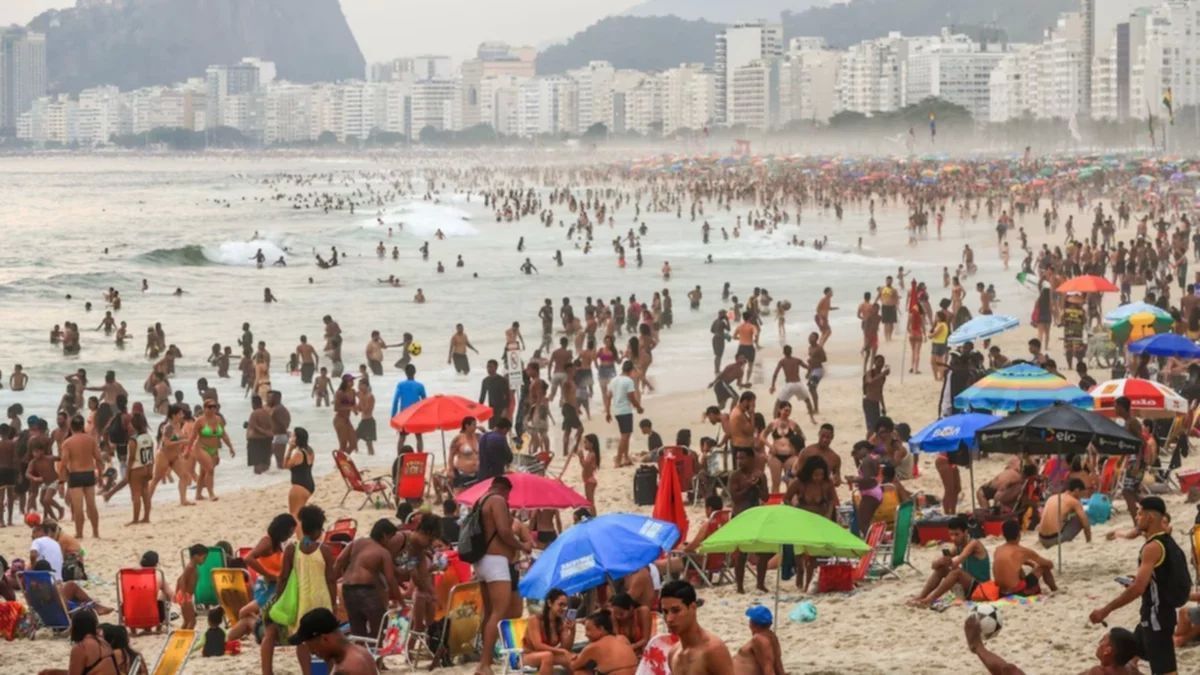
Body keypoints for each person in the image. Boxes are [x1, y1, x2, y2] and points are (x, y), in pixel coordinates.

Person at [1090, 496, 1185, 675]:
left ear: (1150, 517)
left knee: (1165, 670)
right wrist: (1139, 579)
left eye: (1140, 513)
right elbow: (1161, 577)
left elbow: (1138, 589)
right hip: (1159, 615)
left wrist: (1106, 609)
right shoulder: (1167, 542)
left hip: (1157, 617)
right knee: (1134, 651)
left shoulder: (1152, 548)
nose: (1137, 517)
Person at [262, 504, 336, 675]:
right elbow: (331, 580)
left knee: (302, 641)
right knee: (327, 640)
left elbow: (283, 577)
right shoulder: (324, 550)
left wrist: (279, 598)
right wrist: (333, 602)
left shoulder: (292, 549)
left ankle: (307, 673)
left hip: (301, 602)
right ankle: (331, 671)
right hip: (322, 602)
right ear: (318, 529)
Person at [964, 614, 1140, 675]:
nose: (1099, 643)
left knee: (1010, 671)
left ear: (1108, 651)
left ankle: (977, 646)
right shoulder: (1131, 669)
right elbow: (1134, 654)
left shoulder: (1098, 672)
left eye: (1103, 640)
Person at [477, 476, 530, 675]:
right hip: (496, 561)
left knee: (490, 613)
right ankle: (484, 664)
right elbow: (505, 533)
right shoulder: (497, 500)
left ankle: (485, 660)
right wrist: (522, 545)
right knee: (499, 613)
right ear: (505, 490)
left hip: (482, 561)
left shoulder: (481, 500)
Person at [334, 518, 402, 640]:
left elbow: (339, 561)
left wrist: (332, 580)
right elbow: (391, 579)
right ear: (385, 535)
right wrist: (402, 602)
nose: (390, 542)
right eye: (390, 538)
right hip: (365, 590)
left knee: (357, 630)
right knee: (380, 627)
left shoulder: (357, 542)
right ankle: (373, 655)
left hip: (347, 589)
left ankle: (361, 653)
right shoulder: (383, 552)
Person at [908, 516, 991, 607]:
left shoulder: (974, 543)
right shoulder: (958, 546)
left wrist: (949, 562)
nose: (953, 538)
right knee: (942, 568)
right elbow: (934, 566)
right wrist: (940, 561)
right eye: (951, 534)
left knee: (957, 572)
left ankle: (929, 599)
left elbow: (958, 561)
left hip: (982, 587)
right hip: (968, 586)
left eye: (956, 534)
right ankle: (921, 597)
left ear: (965, 532)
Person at [969, 519, 1056, 602]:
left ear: (1003, 535)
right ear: (1019, 535)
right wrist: (1039, 564)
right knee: (1044, 567)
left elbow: (1011, 561)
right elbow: (1048, 564)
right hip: (1017, 592)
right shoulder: (1023, 551)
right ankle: (1055, 589)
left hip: (1001, 592)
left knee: (1018, 569)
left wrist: (1029, 563)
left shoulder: (998, 550)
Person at [662, 580, 734, 675]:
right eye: (665, 612)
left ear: (692, 608)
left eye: (676, 611)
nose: (669, 619)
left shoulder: (713, 651)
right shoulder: (673, 653)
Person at [290, 607, 380, 675]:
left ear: (325, 639)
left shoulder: (347, 668)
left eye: (312, 648)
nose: (312, 652)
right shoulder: (361, 652)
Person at [729, 445, 767, 594]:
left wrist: (757, 486)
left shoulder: (760, 475)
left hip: (755, 515)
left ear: (751, 459)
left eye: (743, 458)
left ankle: (760, 583)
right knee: (740, 554)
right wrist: (748, 486)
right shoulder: (735, 476)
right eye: (738, 458)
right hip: (740, 515)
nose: (740, 461)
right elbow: (735, 497)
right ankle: (739, 586)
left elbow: (765, 497)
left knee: (763, 551)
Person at [59, 415, 101, 539]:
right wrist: (101, 475)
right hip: (89, 474)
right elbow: (98, 459)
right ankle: (95, 532)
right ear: (82, 426)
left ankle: (80, 533)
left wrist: (61, 481)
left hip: (75, 475)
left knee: (78, 507)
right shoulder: (91, 440)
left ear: (71, 427)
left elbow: (63, 463)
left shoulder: (67, 442)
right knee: (91, 505)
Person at [522, 588, 576, 675]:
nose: (563, 608)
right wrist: (562, 651)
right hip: (528, 656)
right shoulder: (535, 619)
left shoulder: (560, 622)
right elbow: (538, 646)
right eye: (560, 604)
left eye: (565, 606)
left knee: (573, 658)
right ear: (549, 603)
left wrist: (572, 630)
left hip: (548, 655)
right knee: (547, 656)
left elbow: (566, 647)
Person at [189, 399, 234, 502]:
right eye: (210, 407)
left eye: (214, 406)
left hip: (213, 449)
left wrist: (230, 447)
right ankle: (211, 494)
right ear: (204, 408)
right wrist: (187, 451)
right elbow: (192, 437)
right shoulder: (200, 421)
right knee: (210, 469)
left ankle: (198, 495)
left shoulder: (219, 419)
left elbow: (223, 435)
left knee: (203, 472)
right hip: (201, 448)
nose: (212, 409)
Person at [570, 609, 638, 675]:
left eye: (588, 629)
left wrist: (573, 657)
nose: (586, 634)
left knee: (578, 672)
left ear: (601, 629)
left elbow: (572, 666)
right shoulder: (623, 638)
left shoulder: (594, 646)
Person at [605, 361, 643, 467]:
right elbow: (631, 397)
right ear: (631, 370)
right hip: (625, 410)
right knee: (625, 436)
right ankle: (618, 459)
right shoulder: (628, 381)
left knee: (627, 434)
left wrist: (608, 412)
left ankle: (626, 457)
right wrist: (638, 407)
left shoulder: (614, 380)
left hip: (616, 410)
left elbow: (608, 396)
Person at [1036, 478, 1093, 548]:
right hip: (1054, 540)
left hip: (1042, 539)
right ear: (1077, 490)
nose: (1081, 497)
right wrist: (1089, 541)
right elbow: (1085, 523)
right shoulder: (1074, 501)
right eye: (1081, 494)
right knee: (1083, 516)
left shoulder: (1052, 497)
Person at [733, 605, 783, 675]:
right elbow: (778, 665)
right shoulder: (772, 636)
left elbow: (768, 668)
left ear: (753, 623)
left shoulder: (759, 639)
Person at [391, 364, 427, 452]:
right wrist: (425, 416)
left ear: (405, 373)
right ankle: (420, 456)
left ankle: (399, 457)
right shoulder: (420, 386)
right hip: (416, 415)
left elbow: (395, 401)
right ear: (415, 372)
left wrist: (393, 416)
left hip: (404, 415)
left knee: (402, 438)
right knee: (419, 437)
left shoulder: (401, 385)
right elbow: (425, 402)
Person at [284, 427, 316, 519]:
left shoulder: (298, 453)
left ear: (298, 438)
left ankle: (300, 534)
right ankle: (303, 533)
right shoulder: (309, 450)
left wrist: (290, 449)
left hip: (299, 486)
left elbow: (285, 465)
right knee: (300, 514)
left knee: (294, 515)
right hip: (309, 484)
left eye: (293, 436)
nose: (291, 438)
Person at [176, 543, 208, 629]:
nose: (204, 561)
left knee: (187, 621)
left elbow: (178, 579)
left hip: (185, 595)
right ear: (195, 556)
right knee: (192, 621)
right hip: (185, 596)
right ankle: (187, 638)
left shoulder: (192, 566)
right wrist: (183, 596)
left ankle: (181, 636)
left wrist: (178, 593)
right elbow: (182, 580)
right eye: (203, 558)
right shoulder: (190, 567)